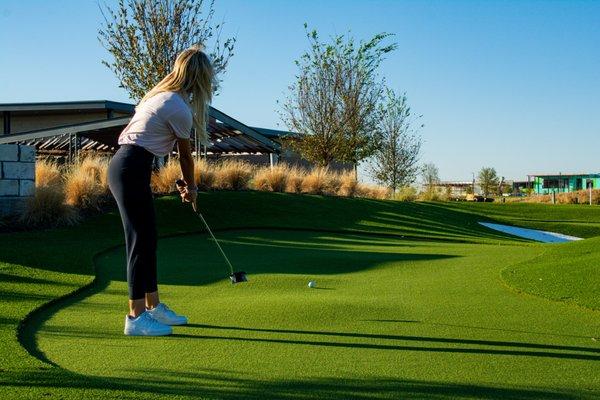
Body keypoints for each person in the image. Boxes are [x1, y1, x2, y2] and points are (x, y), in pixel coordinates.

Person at [108, 45, 213, 336]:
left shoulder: (161, 97)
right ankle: (135, 316)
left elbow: (150, 143)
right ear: (200, 79)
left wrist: (181, 182)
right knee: (139, 240)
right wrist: (192, 188)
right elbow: (186, 156)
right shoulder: (179, 107)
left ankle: (153, 306)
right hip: (129, 167)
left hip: (132, 166)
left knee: (148, 237)